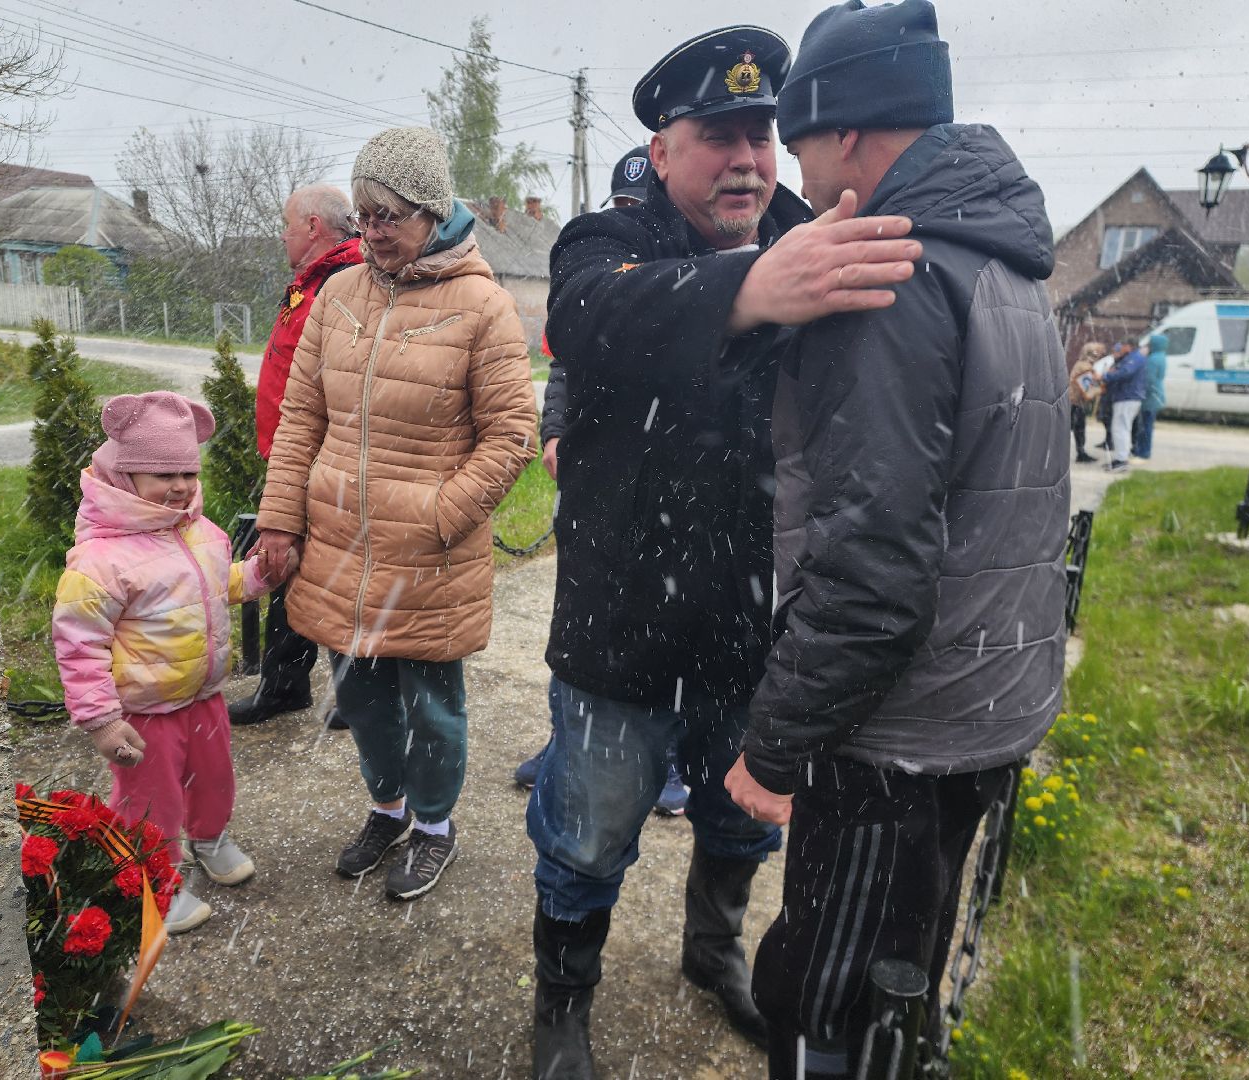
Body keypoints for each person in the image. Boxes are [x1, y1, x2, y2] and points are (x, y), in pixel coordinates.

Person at [528, 25, 922, 1078]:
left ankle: (714, 953)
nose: (746, 158)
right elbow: (586, 316)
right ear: (662, 152)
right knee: (586, 836)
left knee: (741, 820)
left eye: (762, 134)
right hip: (622, 627)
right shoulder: (602, 242)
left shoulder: (824, 233)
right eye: (718, 136)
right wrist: (750, 289)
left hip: (758, 628)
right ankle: (563, 1001)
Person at [722, 4, 1071, 1077]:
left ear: (854, 137)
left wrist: (773, 745)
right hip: (981, 703)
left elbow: (872, 574)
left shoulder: (887, 276)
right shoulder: (1003, 264)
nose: (794, 174)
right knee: (900, 969)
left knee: (827, 997)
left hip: (891, 736)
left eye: (800, 144)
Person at [255, 127, 537, 902]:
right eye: (367, 214)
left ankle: (436, 828)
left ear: (432, 212)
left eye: (392, 215)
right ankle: (388, 808)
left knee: (434, 707)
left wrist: (442, 514)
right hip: (339, 544)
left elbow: (512, 435)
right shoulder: (337, 298)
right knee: (361, 698)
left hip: (430, 553)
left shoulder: (483, 306)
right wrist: (282, 522)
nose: (375, 231)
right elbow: (301, 421)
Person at [53, 392, 286, 935]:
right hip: (143, 710)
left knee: (214, 778)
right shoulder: (100, 560)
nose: (179, 485)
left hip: (203, 695)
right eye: (161, 473)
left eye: (186, 469)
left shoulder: (203, 534)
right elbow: (78, 644)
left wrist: (258, 577)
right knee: (148, 802)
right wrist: (102, 720)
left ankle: (209, 837)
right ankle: (153, 879)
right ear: (124, 475)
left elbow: (216, 586)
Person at [512, 145, 689, 817]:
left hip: (670, 486)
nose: (629, 220)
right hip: (598, 487)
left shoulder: (685, 269)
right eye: (619, 206)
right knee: (584, 625)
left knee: (667, 618)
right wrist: (555, 432)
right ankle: (566, 741)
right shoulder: (595, 275)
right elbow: (564, 370)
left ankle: (671, 761)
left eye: (639, 208)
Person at [229, 184, 364, 729]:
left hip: (321, 455)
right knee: (288, 566)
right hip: (293, 454)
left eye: (287, 225)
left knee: (332, 571)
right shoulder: (314, 280)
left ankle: (354, 695)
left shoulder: (345, 281)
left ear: (313, 227)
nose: (282, 235)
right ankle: (285, 684)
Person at [1101, 336, 1147, 472]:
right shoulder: (1131, 357)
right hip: (1125, 397)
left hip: (1127, 397)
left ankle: (1121, 461)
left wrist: (1105, 377)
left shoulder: (1135, 358)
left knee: (1121, 428)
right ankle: (1120, 458)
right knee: (1120, 428)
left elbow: (1125, 373)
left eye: (1123, 344)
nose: (1121, 347)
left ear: (1129, 345)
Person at [1068, 341, 1105, 463]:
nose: (1101, 355)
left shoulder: (1082, 364)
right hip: (1076, 402)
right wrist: (1101, 389)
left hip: (1074, 402)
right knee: (1077, 429)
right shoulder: (1085, 367)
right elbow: (1086, 390)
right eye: (1099, 352)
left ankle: (1081, 453)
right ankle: (1081, 453)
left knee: (1076, 428)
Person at [1133, 331, 1167, 459]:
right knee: (1147, 424)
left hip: (1150, 397)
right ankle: (1142, 449)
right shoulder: (1161, 356)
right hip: (1156, 394)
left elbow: (1149, 380)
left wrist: (1141, 392)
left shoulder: (1153, 359)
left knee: (1145, 425)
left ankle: (1143, 451)